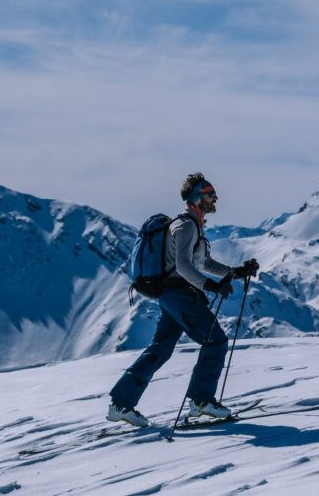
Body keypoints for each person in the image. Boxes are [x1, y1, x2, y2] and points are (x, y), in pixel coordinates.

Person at [106, 173, 259, 427]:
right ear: (197, 198)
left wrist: (234, 272)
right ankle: (201, 402)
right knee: (216, 341)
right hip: (179, 294)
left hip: (172, 296)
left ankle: (121, 404)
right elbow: (184, 266)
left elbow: (204, 262)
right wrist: (211, 285)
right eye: (210, 193)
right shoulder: (186, 225)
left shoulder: (193, 225)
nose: (215, 197)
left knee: (160, 349)